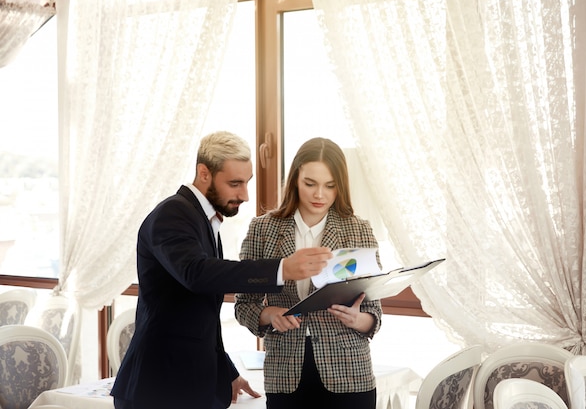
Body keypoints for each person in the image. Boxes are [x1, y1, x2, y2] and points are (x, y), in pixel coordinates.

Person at [110, 131, 333, 409]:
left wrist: (225, 371)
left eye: (247, 182)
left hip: (189, 386)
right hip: (161, 387)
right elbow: (198, 274)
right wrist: (281, 269)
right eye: (235, 183)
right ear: (204, 173)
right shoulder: (172, 215)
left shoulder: (203, 220)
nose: (245, 195)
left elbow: (198, 318)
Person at [234, 137, 383, 409]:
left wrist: (357, 319)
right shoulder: (262, 230)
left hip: (350, 375)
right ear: (294, 180)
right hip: (285, 375)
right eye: (310, 184)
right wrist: (269, 315)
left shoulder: (358, 230)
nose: (319, 195)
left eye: (330, 186)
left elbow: (375, 315)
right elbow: (244, 305)